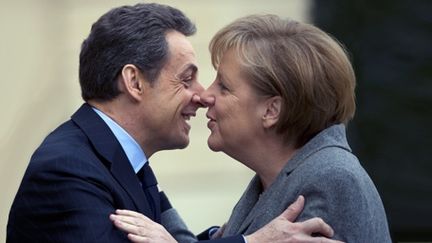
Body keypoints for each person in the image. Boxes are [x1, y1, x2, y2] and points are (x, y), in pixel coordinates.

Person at [6, 4, 339, 243]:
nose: (202, 95)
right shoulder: (68, 170)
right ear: (134, 82)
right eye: (186, 79)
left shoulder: (115, 159)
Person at [111, 14, 393, 242]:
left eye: (224, 86)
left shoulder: (331, 179)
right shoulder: (276, 177)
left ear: (271, 111)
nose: (205, 96)